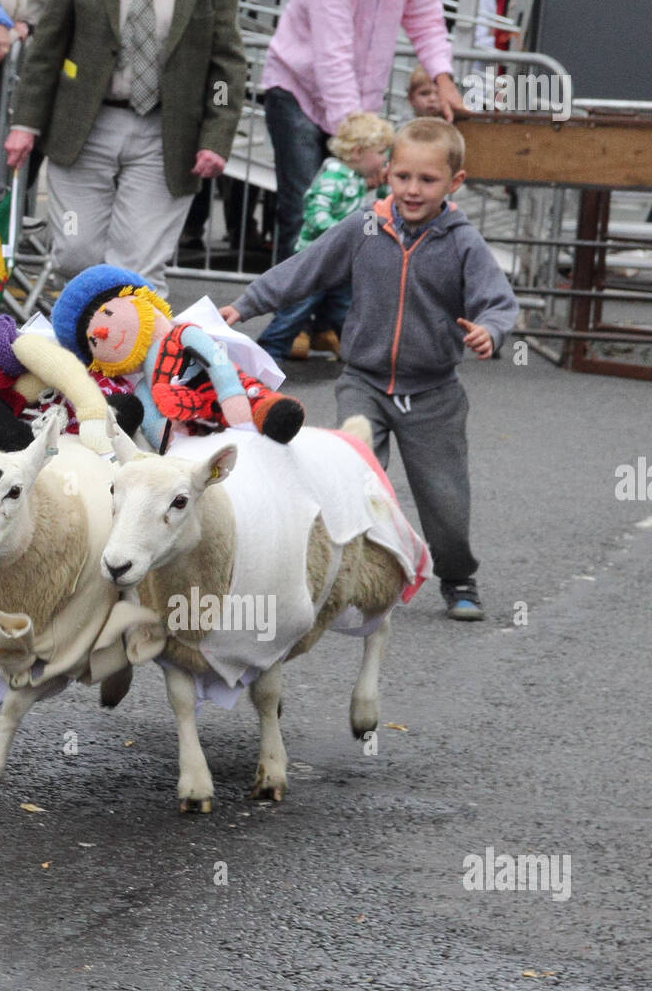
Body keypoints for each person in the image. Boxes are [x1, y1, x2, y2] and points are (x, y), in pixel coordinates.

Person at [220, 118, 519, 622]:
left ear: (455, 182)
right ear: (385, 172)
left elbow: (498, 300)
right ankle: (334, 575)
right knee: (352, 481)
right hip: (363, 382)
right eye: (402, 176)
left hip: (433, 393)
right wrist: (246, 304)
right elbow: (305, 267)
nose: (412, 189)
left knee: (444, 500)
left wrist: (491, 329)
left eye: (427, 180)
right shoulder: (363, 227)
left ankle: (457, 576)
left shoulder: (462, 243)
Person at [4, 0, 246, 298]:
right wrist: (26, 123)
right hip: (84, 127)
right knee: (75, 253)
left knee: (137, 271)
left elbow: (226, 57)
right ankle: (83, 335)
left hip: (168, 134)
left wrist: (217, 136)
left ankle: (126, 346)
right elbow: (50, 38)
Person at [261, 0, 465, 264]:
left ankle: (341, 307)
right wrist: (360, 138)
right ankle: (292, 308)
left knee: (361, 214)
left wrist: (443, 80)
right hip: (298, 92)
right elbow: (333, 57)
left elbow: (428, 23)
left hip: (357, 107)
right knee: (305, 212)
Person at [258, 110, 394, 363]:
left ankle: (356, 353)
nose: (384, 160)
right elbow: (315, 214)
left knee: (345, 306)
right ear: (358, 153)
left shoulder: (359, 179)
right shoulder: (335, 177)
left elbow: (376, 208)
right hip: (317, 259)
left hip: (343, 260)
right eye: (381, 153)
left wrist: (385, 185)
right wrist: (345, 233)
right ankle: (268, 351)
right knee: (298, 306)